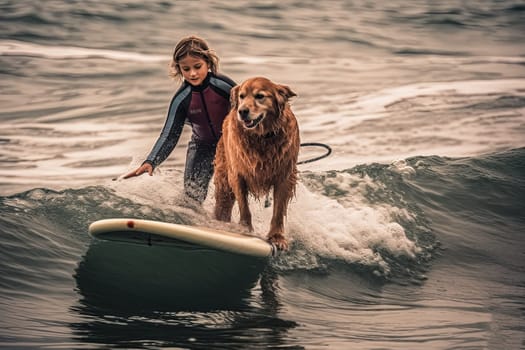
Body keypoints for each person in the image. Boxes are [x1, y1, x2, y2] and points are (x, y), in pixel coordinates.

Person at [123, 36, 236, 203]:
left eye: (198, 67)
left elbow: (248, 109)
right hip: (201, 148)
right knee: (192, 196)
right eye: (186, 69)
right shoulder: (182, 99)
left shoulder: (224, 86)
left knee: (232, 189)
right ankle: (197, 224)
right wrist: (151, 161)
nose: (192, 73)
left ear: (208, 63)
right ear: (179, 69)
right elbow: (170, 134)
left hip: (232, 144)